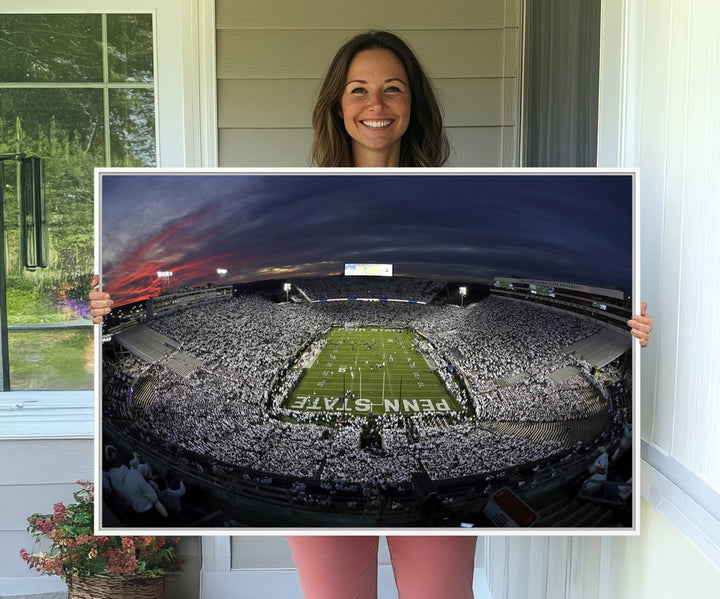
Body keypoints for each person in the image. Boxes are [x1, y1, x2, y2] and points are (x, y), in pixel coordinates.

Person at [90, 29, 653, 599]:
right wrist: (105, 304)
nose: (375, 105)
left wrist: (627, 326)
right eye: (358, 89)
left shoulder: (455, 204)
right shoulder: (296, 208)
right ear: (338, 104)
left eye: (393, 89)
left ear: (414, 104)